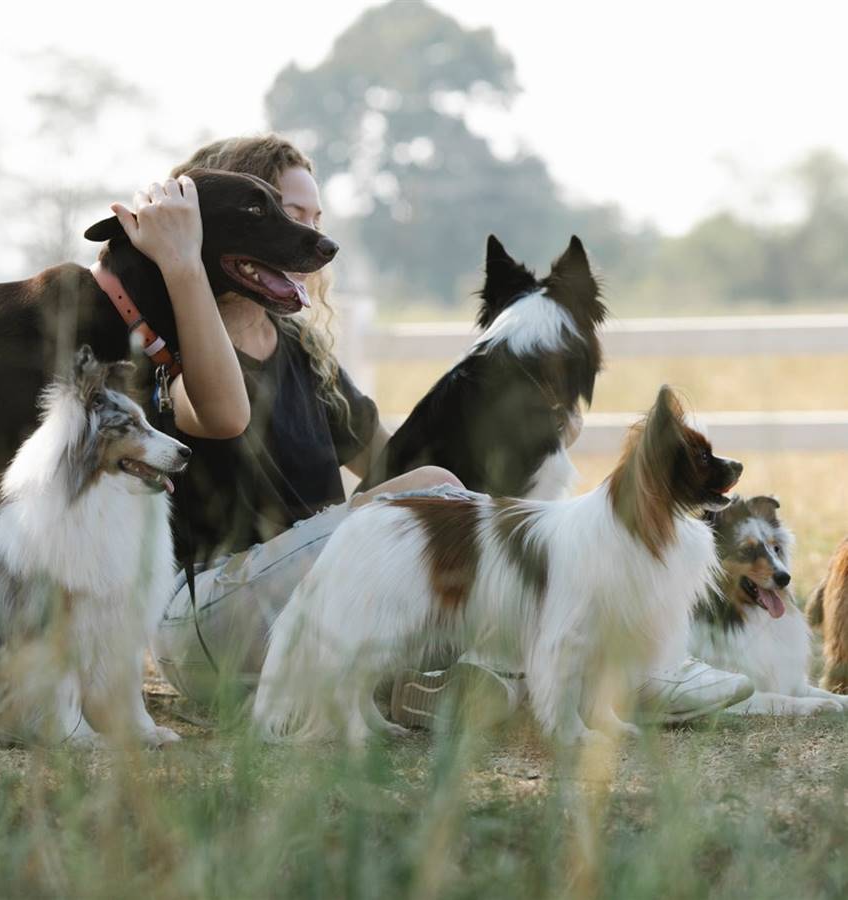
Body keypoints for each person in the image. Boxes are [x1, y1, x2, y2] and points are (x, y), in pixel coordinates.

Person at [111, 134, 752, 728]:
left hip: (320, 601)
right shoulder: (174, 347)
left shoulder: (301, 350)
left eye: (315, 219)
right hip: (210, 622)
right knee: (441, 498)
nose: (309, 236)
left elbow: (394, 465)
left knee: (452, 512)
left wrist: (532, 435)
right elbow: (223, 415)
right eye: (289, 214)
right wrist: (183, 266)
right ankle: (622, 676)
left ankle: (506, 676)